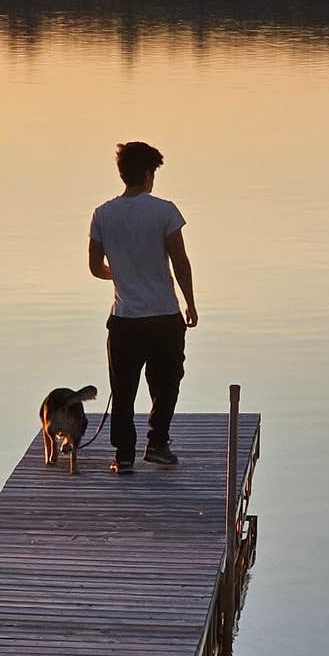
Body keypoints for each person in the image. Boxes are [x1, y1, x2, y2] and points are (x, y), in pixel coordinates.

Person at [88, 140, 199, 474]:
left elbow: (95, 266)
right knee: (167, 384)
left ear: (123, 174)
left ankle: (123, 457)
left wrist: (121, 274)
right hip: (165, 316)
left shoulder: (103, 214)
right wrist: (191, 304)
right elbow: (180, 262)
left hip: (125, 319)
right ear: (149, 174)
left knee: (123, 390)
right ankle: (158, 444)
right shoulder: (165, 211)